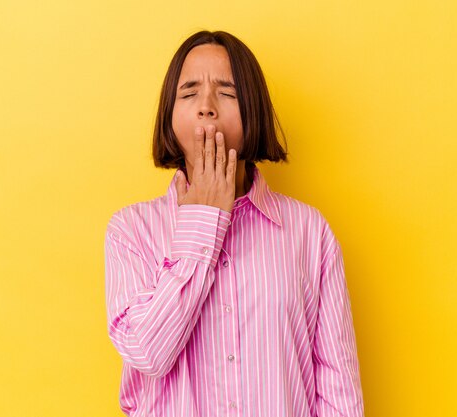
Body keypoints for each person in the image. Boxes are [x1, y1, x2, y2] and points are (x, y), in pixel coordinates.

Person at [104, 30, 364, 417]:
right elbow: (147, 352)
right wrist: (203, 222)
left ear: (253, 108)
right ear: (169, 115)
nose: (206, 106)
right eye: (189, 93)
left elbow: (338, 391)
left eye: (226, 93)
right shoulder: (130, 231)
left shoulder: (309, 232)